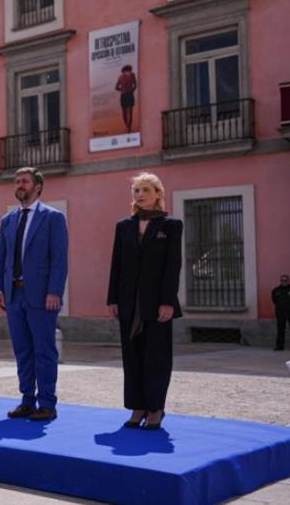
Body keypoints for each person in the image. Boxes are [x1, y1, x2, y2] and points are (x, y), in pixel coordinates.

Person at [107, 173, 182, 431]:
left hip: (156, 304)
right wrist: (113, 298)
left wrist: (167, 302)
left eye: (146, 189)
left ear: (158, 193)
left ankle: (155, 409)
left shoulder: (171, 225)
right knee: (132, 358)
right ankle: (137, 407)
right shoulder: (123, 226)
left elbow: (173, 266)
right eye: (137, 190)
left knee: (156, 358)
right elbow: (116, 264)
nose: (140, 194)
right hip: (128, 303)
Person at [0, 167, 68, 421]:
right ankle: (27, 400)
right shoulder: (8, 220)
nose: (19, 185)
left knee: (44, 350)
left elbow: (59, 259)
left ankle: (47, 403)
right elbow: (1, 257)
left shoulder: (53, 218)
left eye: (24, 181)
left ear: (38, 187)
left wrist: (55, 291)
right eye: (16, 181)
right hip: (14, 295)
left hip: (41, 297)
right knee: (22, 350)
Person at [115, 64, 138, 134]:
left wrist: (122, 89)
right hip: (130, 94)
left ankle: (127, 127)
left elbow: (116, 87)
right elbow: (135, 85)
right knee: (130, 112)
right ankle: (129, 129)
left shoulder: (120, 77)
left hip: (123, 94)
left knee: (124, 113)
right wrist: (132, 90)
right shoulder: (132, 75)